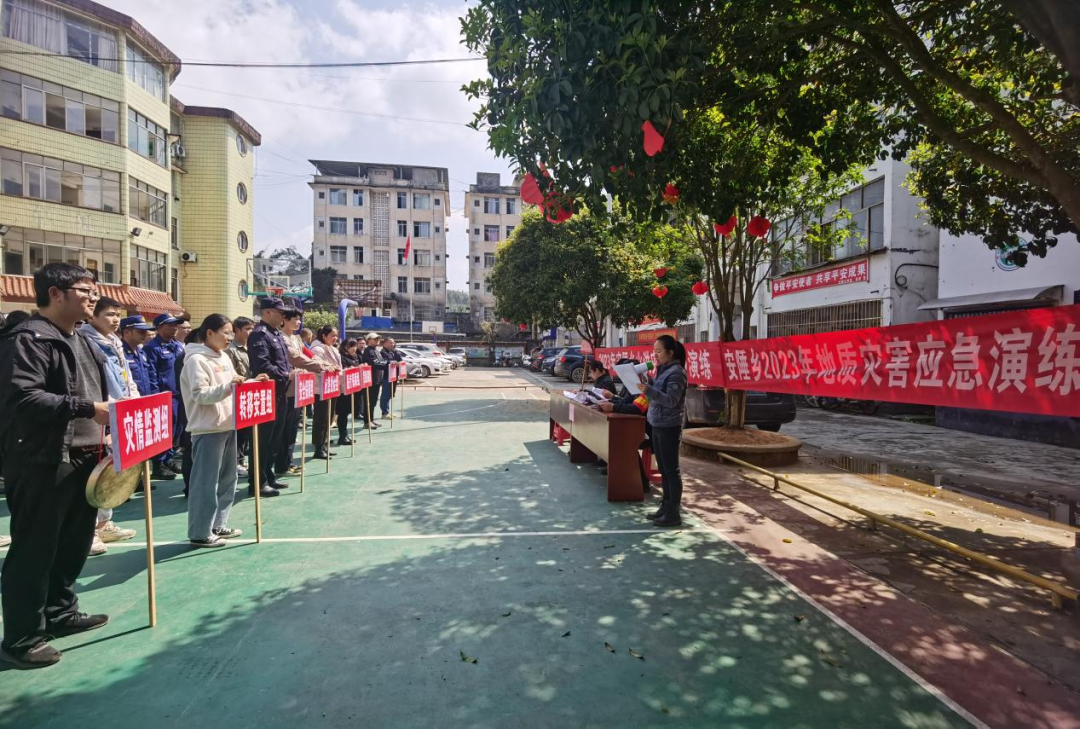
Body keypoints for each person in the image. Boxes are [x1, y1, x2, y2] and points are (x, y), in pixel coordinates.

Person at [0, 263, 112, 669]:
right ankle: (22, 637)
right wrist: (87, 408)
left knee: (73, 542)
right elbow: (22, 399)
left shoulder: (81, 338)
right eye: (84, 290)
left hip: (85, 456)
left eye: (94, 289)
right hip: (44, 459)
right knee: (35, 548)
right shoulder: (29, 339)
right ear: (55, 293)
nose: (93, 297)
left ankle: (61, 612)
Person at [181, 315, 269, 548]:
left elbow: (234, 386)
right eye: (226, 332)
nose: (230, 337)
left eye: (231, 333)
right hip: (207, 429)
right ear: (209, 333)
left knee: (228, 479)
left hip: (229, 424)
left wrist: (252, 382)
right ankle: (200, 532)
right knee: (206, 483)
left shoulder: (224, 357)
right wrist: (229, 386)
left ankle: (218, 524)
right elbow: (200, 394)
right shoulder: (196, 360)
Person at [77, 297, 138, 555]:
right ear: (93, 316)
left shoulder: (114, 342)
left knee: (112, 471)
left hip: (120, 411)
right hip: (99, 416)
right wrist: (112, 404)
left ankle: (104, 524)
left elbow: (126, 377)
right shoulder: (85, 341)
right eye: (109, 314)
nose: (115, 320)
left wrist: (134, 400)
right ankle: (88, 533)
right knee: (95, 474)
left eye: (117, 315)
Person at [639, 335, 688, 527]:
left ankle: (673, 512)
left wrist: (649, 391)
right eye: (654, 351)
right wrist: (646, 385)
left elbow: (671, 401)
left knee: (671, 470)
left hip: (669, 427)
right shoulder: (662, 370)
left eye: (659, 351)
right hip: (657, 424)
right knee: (663, 469)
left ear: (670, 352)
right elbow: (656, 395)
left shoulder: (677, 373)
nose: (655, 355)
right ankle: (665, 507)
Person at [247, 298, 291, 497]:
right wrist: (286, 375)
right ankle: (258, 482)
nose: (283, 316)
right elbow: (263, 365)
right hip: (266, 394)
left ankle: (269, 476)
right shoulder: (259, 334)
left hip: (280, 393)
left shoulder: (276, 334)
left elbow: (283, 362)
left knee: (274, 440)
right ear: (267, 312)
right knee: (262, 441)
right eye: (280, 312)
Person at [278, 309, 322, 475]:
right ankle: (281, 464)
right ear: (284, 319)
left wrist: (323, 364)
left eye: (299, 319)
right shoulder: (281, 338)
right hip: (286, 389)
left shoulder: (296, 338)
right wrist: (321, 367)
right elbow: (297, 358)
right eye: (295, 319)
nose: (298, 322)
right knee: (284, 429)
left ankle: (287, 462)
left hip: (298, 388)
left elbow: (309, 355)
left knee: (292, 428)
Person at [144, 312, 185, 480]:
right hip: (164, 395)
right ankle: (159, 464)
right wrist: (155, 397)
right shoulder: (152, 348)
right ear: (159, 327)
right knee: (163, 429)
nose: (174, 328)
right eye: (170, 325)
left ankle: (169, 458)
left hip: (179, 394)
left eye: (175, 325)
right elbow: (151, 374)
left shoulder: (177, 346)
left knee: (177, 429)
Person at [227, 316, 255, 478]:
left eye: (251, 328)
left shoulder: (251, 347)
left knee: (246, 433)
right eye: (247, 329)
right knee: (238, 432)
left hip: (250, 394)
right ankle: (236, 463)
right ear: (237, 330)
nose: (250, 332)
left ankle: (241, 461)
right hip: (237, 395)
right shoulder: (231, 350)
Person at [310, 326, 342, 459]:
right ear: (324, 336)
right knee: (321, 419)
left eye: (336, 335)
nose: (335, 338)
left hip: (332, 387)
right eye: (332, 335)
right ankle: (318, 447)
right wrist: (329, 369)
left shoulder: (333, 349)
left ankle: (323, 444)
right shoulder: (317, 349)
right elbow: (316, 366)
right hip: (321, 388)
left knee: (329, 417)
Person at [338, 338, 361, 444]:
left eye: (355, 346)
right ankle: (342, 436)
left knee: (346, 413)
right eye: (351, 346)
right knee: (342, 414)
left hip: (351, 387)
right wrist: (349, 369)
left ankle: (345, 435)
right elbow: (342, 371)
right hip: (342, 389)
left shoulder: (355, 357)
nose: (354, 348)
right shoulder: (342, 357)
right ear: (345, 347)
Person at [361, 333, 385, 425]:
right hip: (370, 380)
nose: (377, 340)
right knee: (369, 401)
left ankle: (371, 420)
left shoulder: (376, 351)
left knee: (373, 401)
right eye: (375, 339)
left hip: (376, 380)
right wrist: (386, 363)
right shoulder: (368, 351)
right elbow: (376, 363)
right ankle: (367, 421)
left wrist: (385, 363)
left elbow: (381, 362)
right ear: (368, 340)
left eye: (378, 338)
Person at [379, 337, 402, 418]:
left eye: (393, 343)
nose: (392, 344)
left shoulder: (393, 352)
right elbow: (383, 362)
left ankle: (387, 411)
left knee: (389, 394)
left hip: (393, 376)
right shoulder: (382, 353)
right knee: (385, 395)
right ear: (385, 343)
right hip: (386, 376)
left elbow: (399, 360)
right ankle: (384, 413)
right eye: (390, 343)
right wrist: (391, 362)